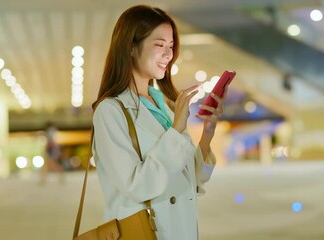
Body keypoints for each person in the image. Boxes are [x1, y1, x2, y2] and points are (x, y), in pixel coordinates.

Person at [91, 5, 227, 240]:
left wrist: (207, 134)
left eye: (171, 46)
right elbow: (137, 186)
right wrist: (176, 129)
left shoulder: (164, 105)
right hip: (145, 233)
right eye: (159, 45)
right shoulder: (110, 111)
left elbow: (191, 180)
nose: (168, 54)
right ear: (132, 47)